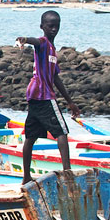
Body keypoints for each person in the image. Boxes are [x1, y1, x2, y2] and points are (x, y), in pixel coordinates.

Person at [15, 10, 80, 185]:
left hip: (34, 96)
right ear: (42, 26)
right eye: (50, 26)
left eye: (56, 26)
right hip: (43, 95)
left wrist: (70, 102)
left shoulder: (52, 50)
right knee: (62, 132)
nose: (53, 29)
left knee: (31, 136)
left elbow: (55, 77)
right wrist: (25, 39)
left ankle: (26, 177)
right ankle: (68, 174)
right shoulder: (43, 43)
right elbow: (36, 41)